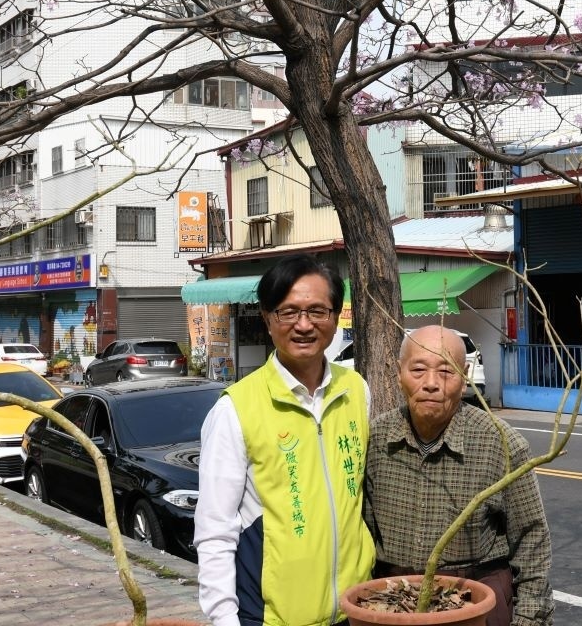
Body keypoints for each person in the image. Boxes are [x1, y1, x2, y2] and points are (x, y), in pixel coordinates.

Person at [195, 255, 374, 626]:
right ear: (267, 318)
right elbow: (215, 532)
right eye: (288, 312)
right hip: (271, 617)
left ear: (336, 315)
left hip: (357, 610)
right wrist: (224, 620)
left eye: (317, 311)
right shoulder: (235, 409)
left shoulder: (356, 389)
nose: (304, 325)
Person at [364, 325, 554, 626]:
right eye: (418, 370)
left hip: (476, 601)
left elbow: (531, 543)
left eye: (446, 371)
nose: (431, 384)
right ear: (398, 373)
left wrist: (531, 619)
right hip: (393, 602)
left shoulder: (501, 444)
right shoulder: (375, 439)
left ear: (465, 376)